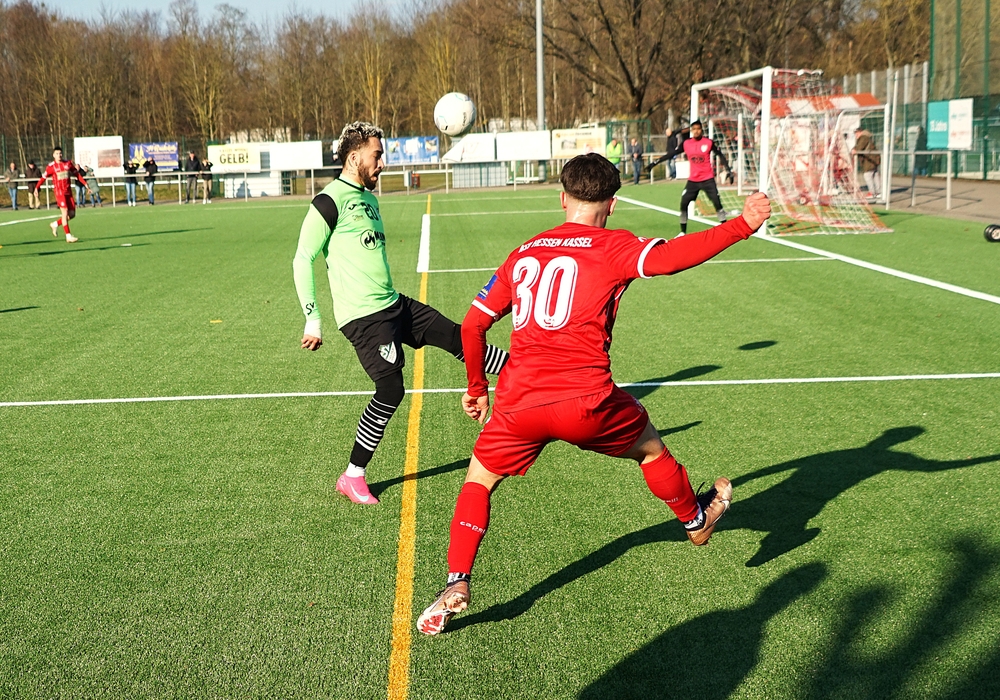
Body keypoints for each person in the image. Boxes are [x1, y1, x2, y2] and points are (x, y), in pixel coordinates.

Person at [416, 153, 772, 636]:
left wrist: (478, 388)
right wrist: (742, 225)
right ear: (613, 203)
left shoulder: (525, 252)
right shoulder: (614, 245)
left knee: (478, 481)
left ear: (562, 198)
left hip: (519, 403)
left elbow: (473, 324)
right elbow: (672, 257)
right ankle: (696, 520)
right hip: (586, 401)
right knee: (651, 449)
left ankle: (456, 581)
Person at [292, 121, 510, 505]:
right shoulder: (328, 201)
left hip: (393, 304)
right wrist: (313, 319)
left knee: (459, 336)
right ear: (354, 156)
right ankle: (353, 475)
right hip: (364, 318)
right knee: (390, 390)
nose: (382, 163)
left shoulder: (370, 200)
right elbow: (302, 259)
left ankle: (522, 369)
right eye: (376, 156)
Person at [677, 120, 730, 235]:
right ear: (691, 130)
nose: (696, 131)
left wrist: (728, 169)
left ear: (701, 130)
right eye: (694, 129)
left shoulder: (708, 142)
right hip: (693, 181)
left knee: (717, 203)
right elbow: (671, 153)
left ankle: (726, 228)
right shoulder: (686, 143)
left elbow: (720, 155)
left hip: (707, 179)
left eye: (698, 129)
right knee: (683, 203)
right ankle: (682, 232)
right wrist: (655, 163)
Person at [33, 146, 90, 243]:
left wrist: (85, 184)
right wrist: (36, 188)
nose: (59, 155)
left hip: (68, 192)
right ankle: (68, 236)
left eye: (60, 153)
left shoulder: (68, 163)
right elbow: (43, 177)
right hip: (59, 192)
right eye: (57, 153)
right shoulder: (51, 167)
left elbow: (77, 174)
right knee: (65, 212)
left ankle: (55, 224)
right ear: (53, 155)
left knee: (72, 214)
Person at [853, 127, 881, 199]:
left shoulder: (863, 137)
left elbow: (859, 147)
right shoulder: (868, 137)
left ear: (860, 132)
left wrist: (854, 150)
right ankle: (878, 192)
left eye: (856, 133)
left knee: (867, 175)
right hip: (874, 158)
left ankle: (872, 192)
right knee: (875, 175)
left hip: (869, 159)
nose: (856, 135)